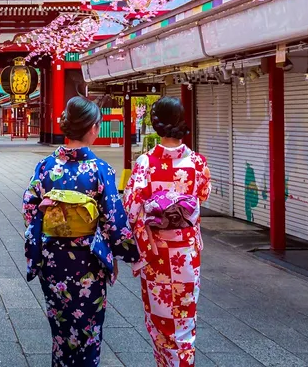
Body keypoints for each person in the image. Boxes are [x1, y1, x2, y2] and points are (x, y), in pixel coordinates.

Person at [23, 97, 139, 367]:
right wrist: (130, 255)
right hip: (87, 261)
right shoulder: (99, 170)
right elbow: (113, 220)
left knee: (61, 329)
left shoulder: (46, 167)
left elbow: (30, 210)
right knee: (88, 332)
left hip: (52, 259)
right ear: (92, 128)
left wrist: (46, 216)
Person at [125, 97, 211, 367]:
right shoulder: (197, 163)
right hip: (186, 254)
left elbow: (131, 206)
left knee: (161, 322)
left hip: (157, 253)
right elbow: (203, 195)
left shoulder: (145, 163)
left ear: (156, 124)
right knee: (185, 322)